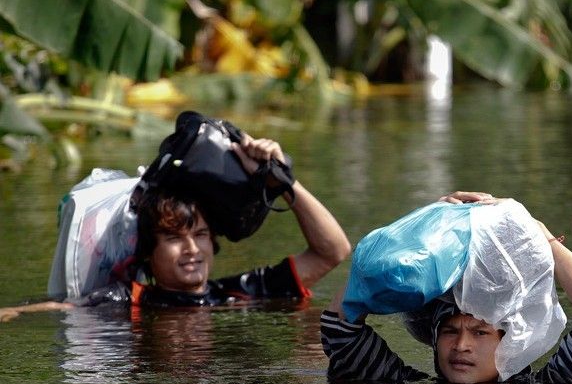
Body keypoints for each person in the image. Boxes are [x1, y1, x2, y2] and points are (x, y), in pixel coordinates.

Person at [0, 133, 351, 320]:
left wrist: (282, 181)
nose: (192, 249)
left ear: (214, 244)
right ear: (148, 254)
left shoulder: (239, 293)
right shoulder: (131, 298)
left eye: (200, 235)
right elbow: (60, 308)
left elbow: (333, 251)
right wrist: (12, 312)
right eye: (172, 237)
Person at [321, 192, 572, 384]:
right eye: (450, 331)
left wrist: (537, 233)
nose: (461, 346)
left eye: (479, 332)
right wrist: (429, 225)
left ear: (511, 338)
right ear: (435, 338)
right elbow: (341, 323)